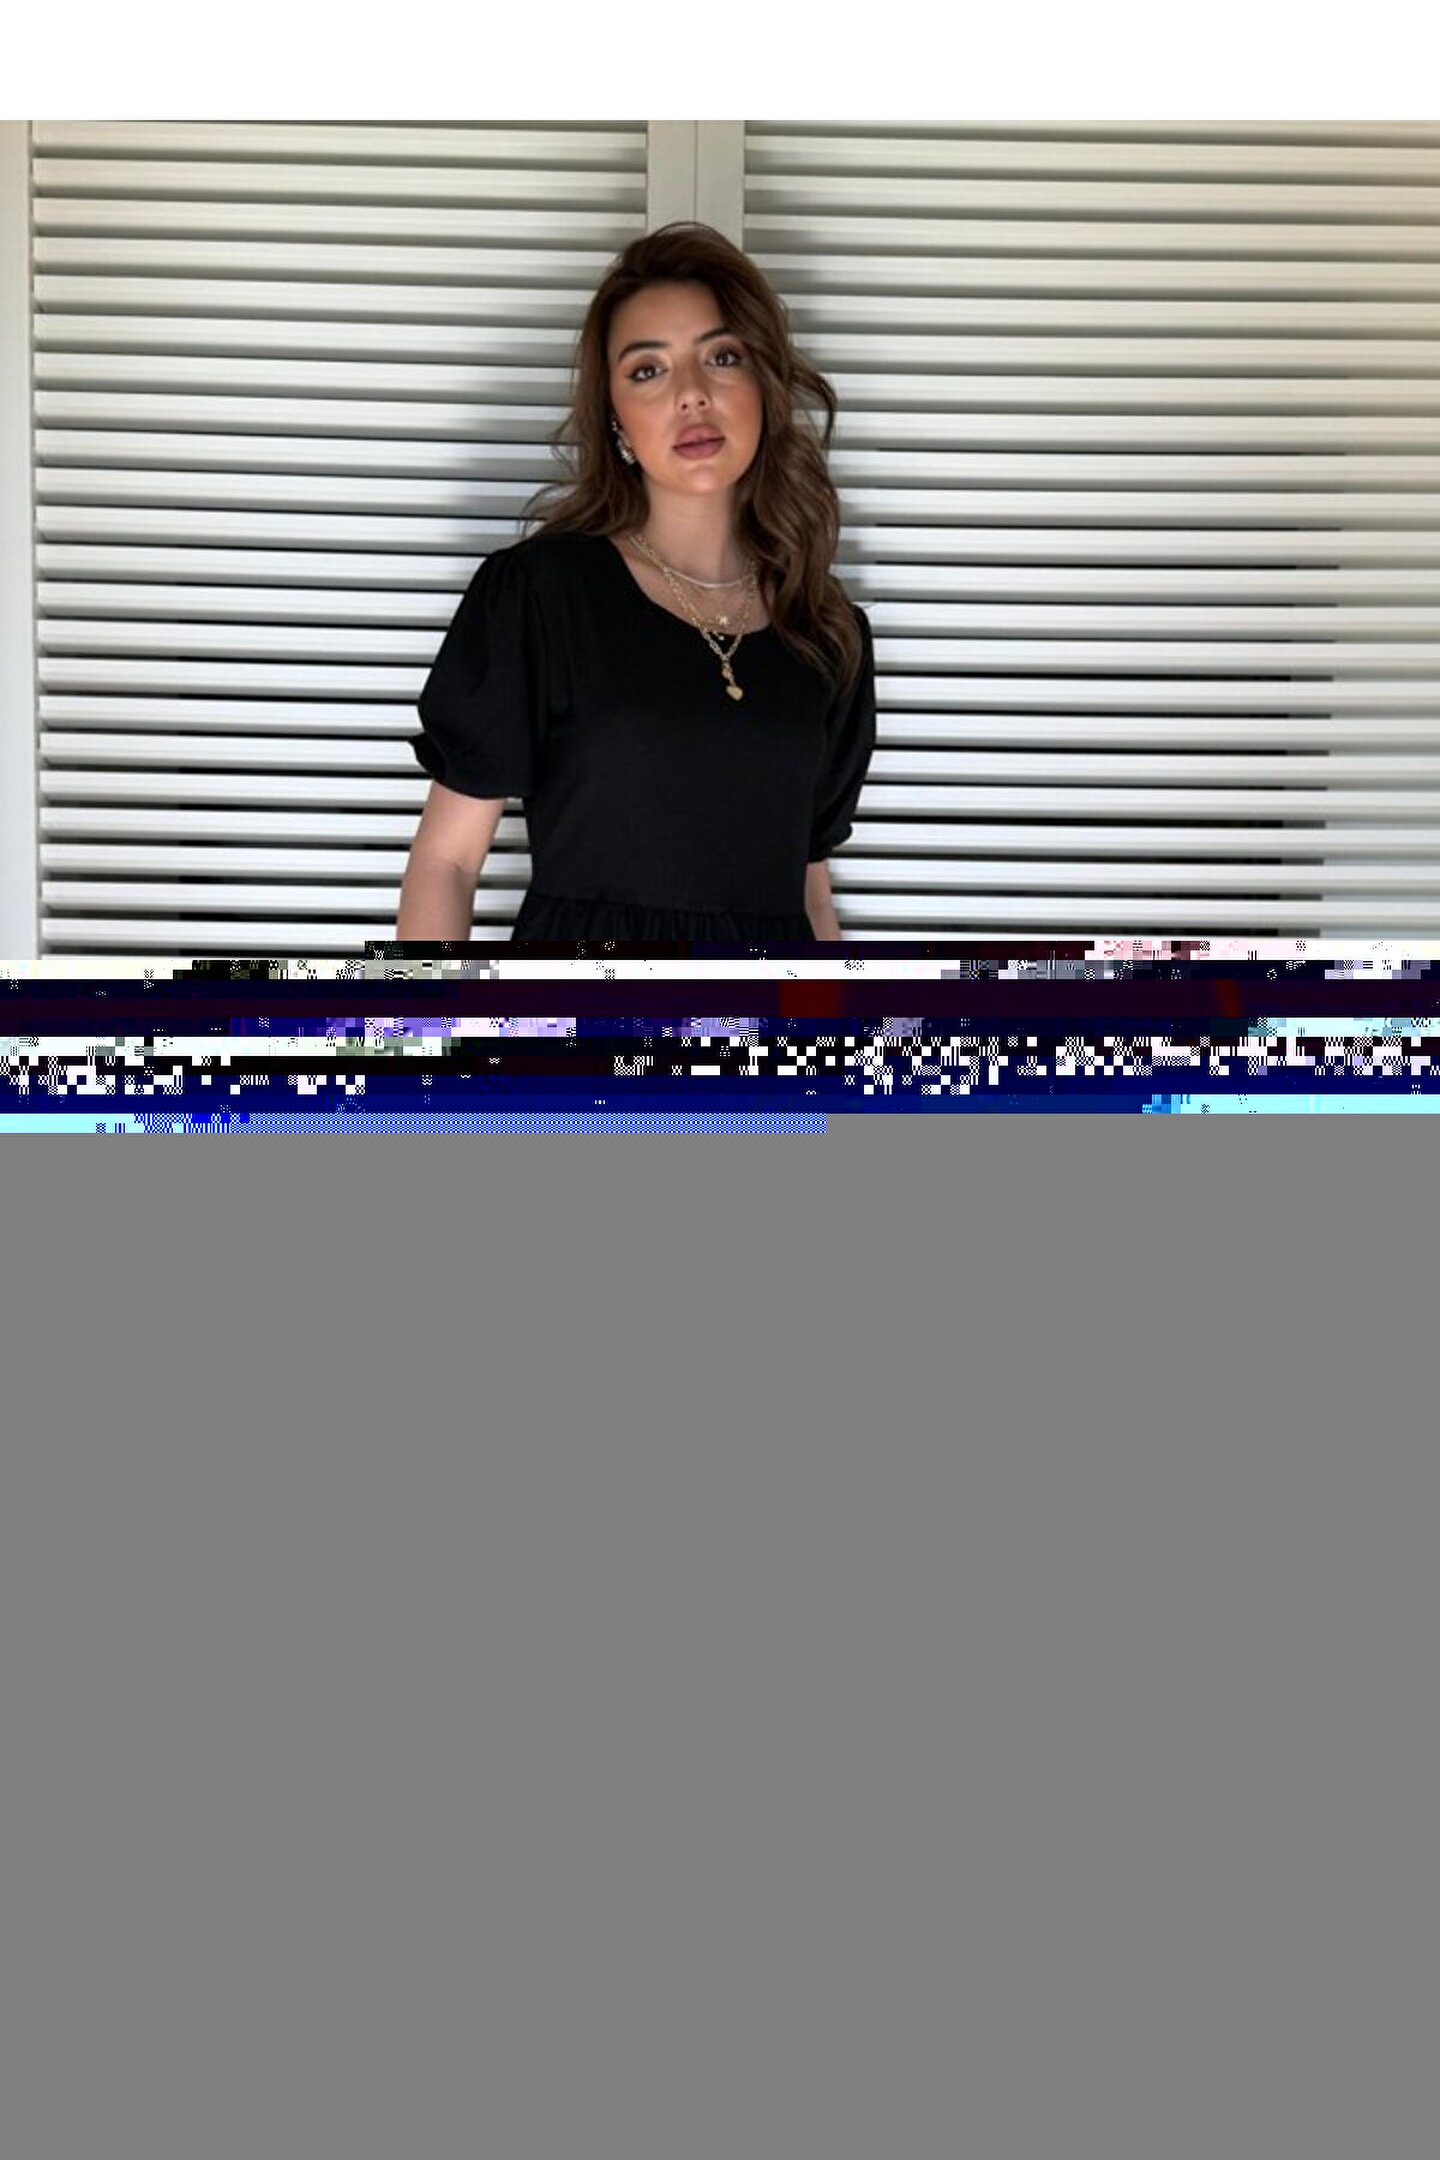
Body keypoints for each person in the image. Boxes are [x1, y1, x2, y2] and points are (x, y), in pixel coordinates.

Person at [395, 222, 876, 947]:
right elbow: (447, 862)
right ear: (615, 417)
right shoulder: (540, 596)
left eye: (722, 357)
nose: (692, 395)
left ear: (763, 385)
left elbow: (809, 889)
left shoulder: (826, 629)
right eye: (648, 370)